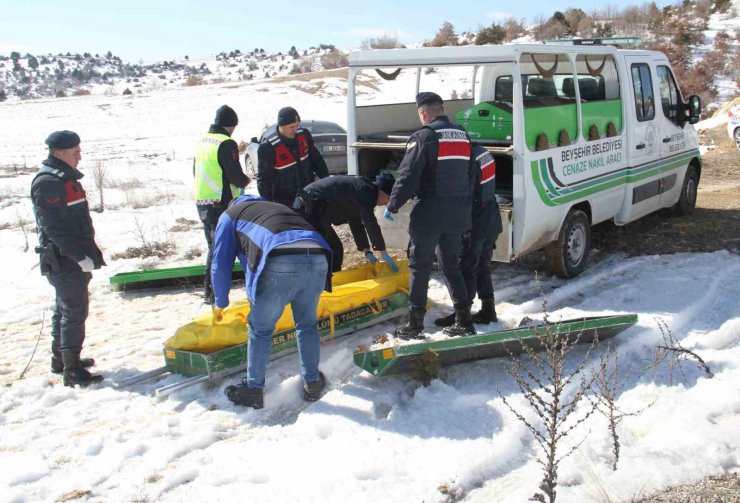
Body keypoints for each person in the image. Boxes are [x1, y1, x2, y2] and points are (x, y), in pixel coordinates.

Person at [212, 195, 332, 409]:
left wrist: (220, 300)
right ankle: (312, 383)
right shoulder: (275, 206)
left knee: (261, 329)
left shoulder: (229, 216)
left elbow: (220, 264)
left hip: (281, 260)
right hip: (319, 257)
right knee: (307, 324)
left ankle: (253, 389)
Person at [385, 92, 477, 340]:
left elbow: (408, 175)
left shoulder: (424, 136)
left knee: (420, 266)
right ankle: (464, 320)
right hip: (457, 214)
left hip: (430, 214)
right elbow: (471, 174)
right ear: (442, 109)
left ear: (422, 113)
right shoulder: (463, 135)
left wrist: (393, 205)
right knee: (451, 265)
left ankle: (415, 325)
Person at [30, 130, 105, 387]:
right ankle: (72, 371)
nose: (79, 157)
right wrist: (78, 257)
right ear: (58, 153)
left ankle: (62, 360)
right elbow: (55, 229)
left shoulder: (63, 177)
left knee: (64, 308)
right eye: (75, 153)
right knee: (74, 311)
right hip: (64, 259)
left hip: (71, 256)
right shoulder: (49, 182)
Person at [434, 144, 502, 327]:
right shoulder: (483, 152)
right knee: (482, 266)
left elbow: (465, 193)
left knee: (467, 267)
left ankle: (462, 315)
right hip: (491, 218)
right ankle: (489, 310)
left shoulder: (468, 160)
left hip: (476, 222)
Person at [193, 105, 250, 304]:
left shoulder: (202, 142)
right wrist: (246, 180)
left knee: (213, 248)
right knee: (225, 249)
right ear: (231, 125)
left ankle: (210, 293)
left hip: (202, 201)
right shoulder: (226, 143)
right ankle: (215, 296)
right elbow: (235, 175)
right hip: (221, 203)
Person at [293, 173, 399, 272]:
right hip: (308, 209)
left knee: (335, 249)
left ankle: (333, 282)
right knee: (323, 251)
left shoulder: (361, 190)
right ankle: (318, 283)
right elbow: (370, 222)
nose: (387, 204)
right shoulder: (366, 191)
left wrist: (367, 251)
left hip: (315, 210)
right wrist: (383, 251)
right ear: (383, 191)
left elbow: (355, 220)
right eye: (389, 199)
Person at [256, 106, 329, 207]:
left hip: (309, 194)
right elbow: (264, 180)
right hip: (286, 202)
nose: (295, 129)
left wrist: (326, 182)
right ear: (281, 126)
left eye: (297, 125)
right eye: (291, 127)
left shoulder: (304, 135)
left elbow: (317, 161)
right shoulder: (268, 147)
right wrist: (270, 205)